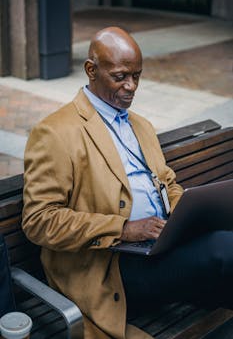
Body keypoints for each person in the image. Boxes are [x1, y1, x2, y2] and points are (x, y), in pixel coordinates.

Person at [22, 27, 233, 339]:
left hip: (161, 245)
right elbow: (39, 220)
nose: (131, 86)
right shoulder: (55, 133)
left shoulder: (140, 125)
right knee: (224, 248)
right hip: (112, 269)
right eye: (120, 76)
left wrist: (184, 211)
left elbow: (167, 184)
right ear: (91, 71)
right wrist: (123, 229)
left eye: (137, 76)